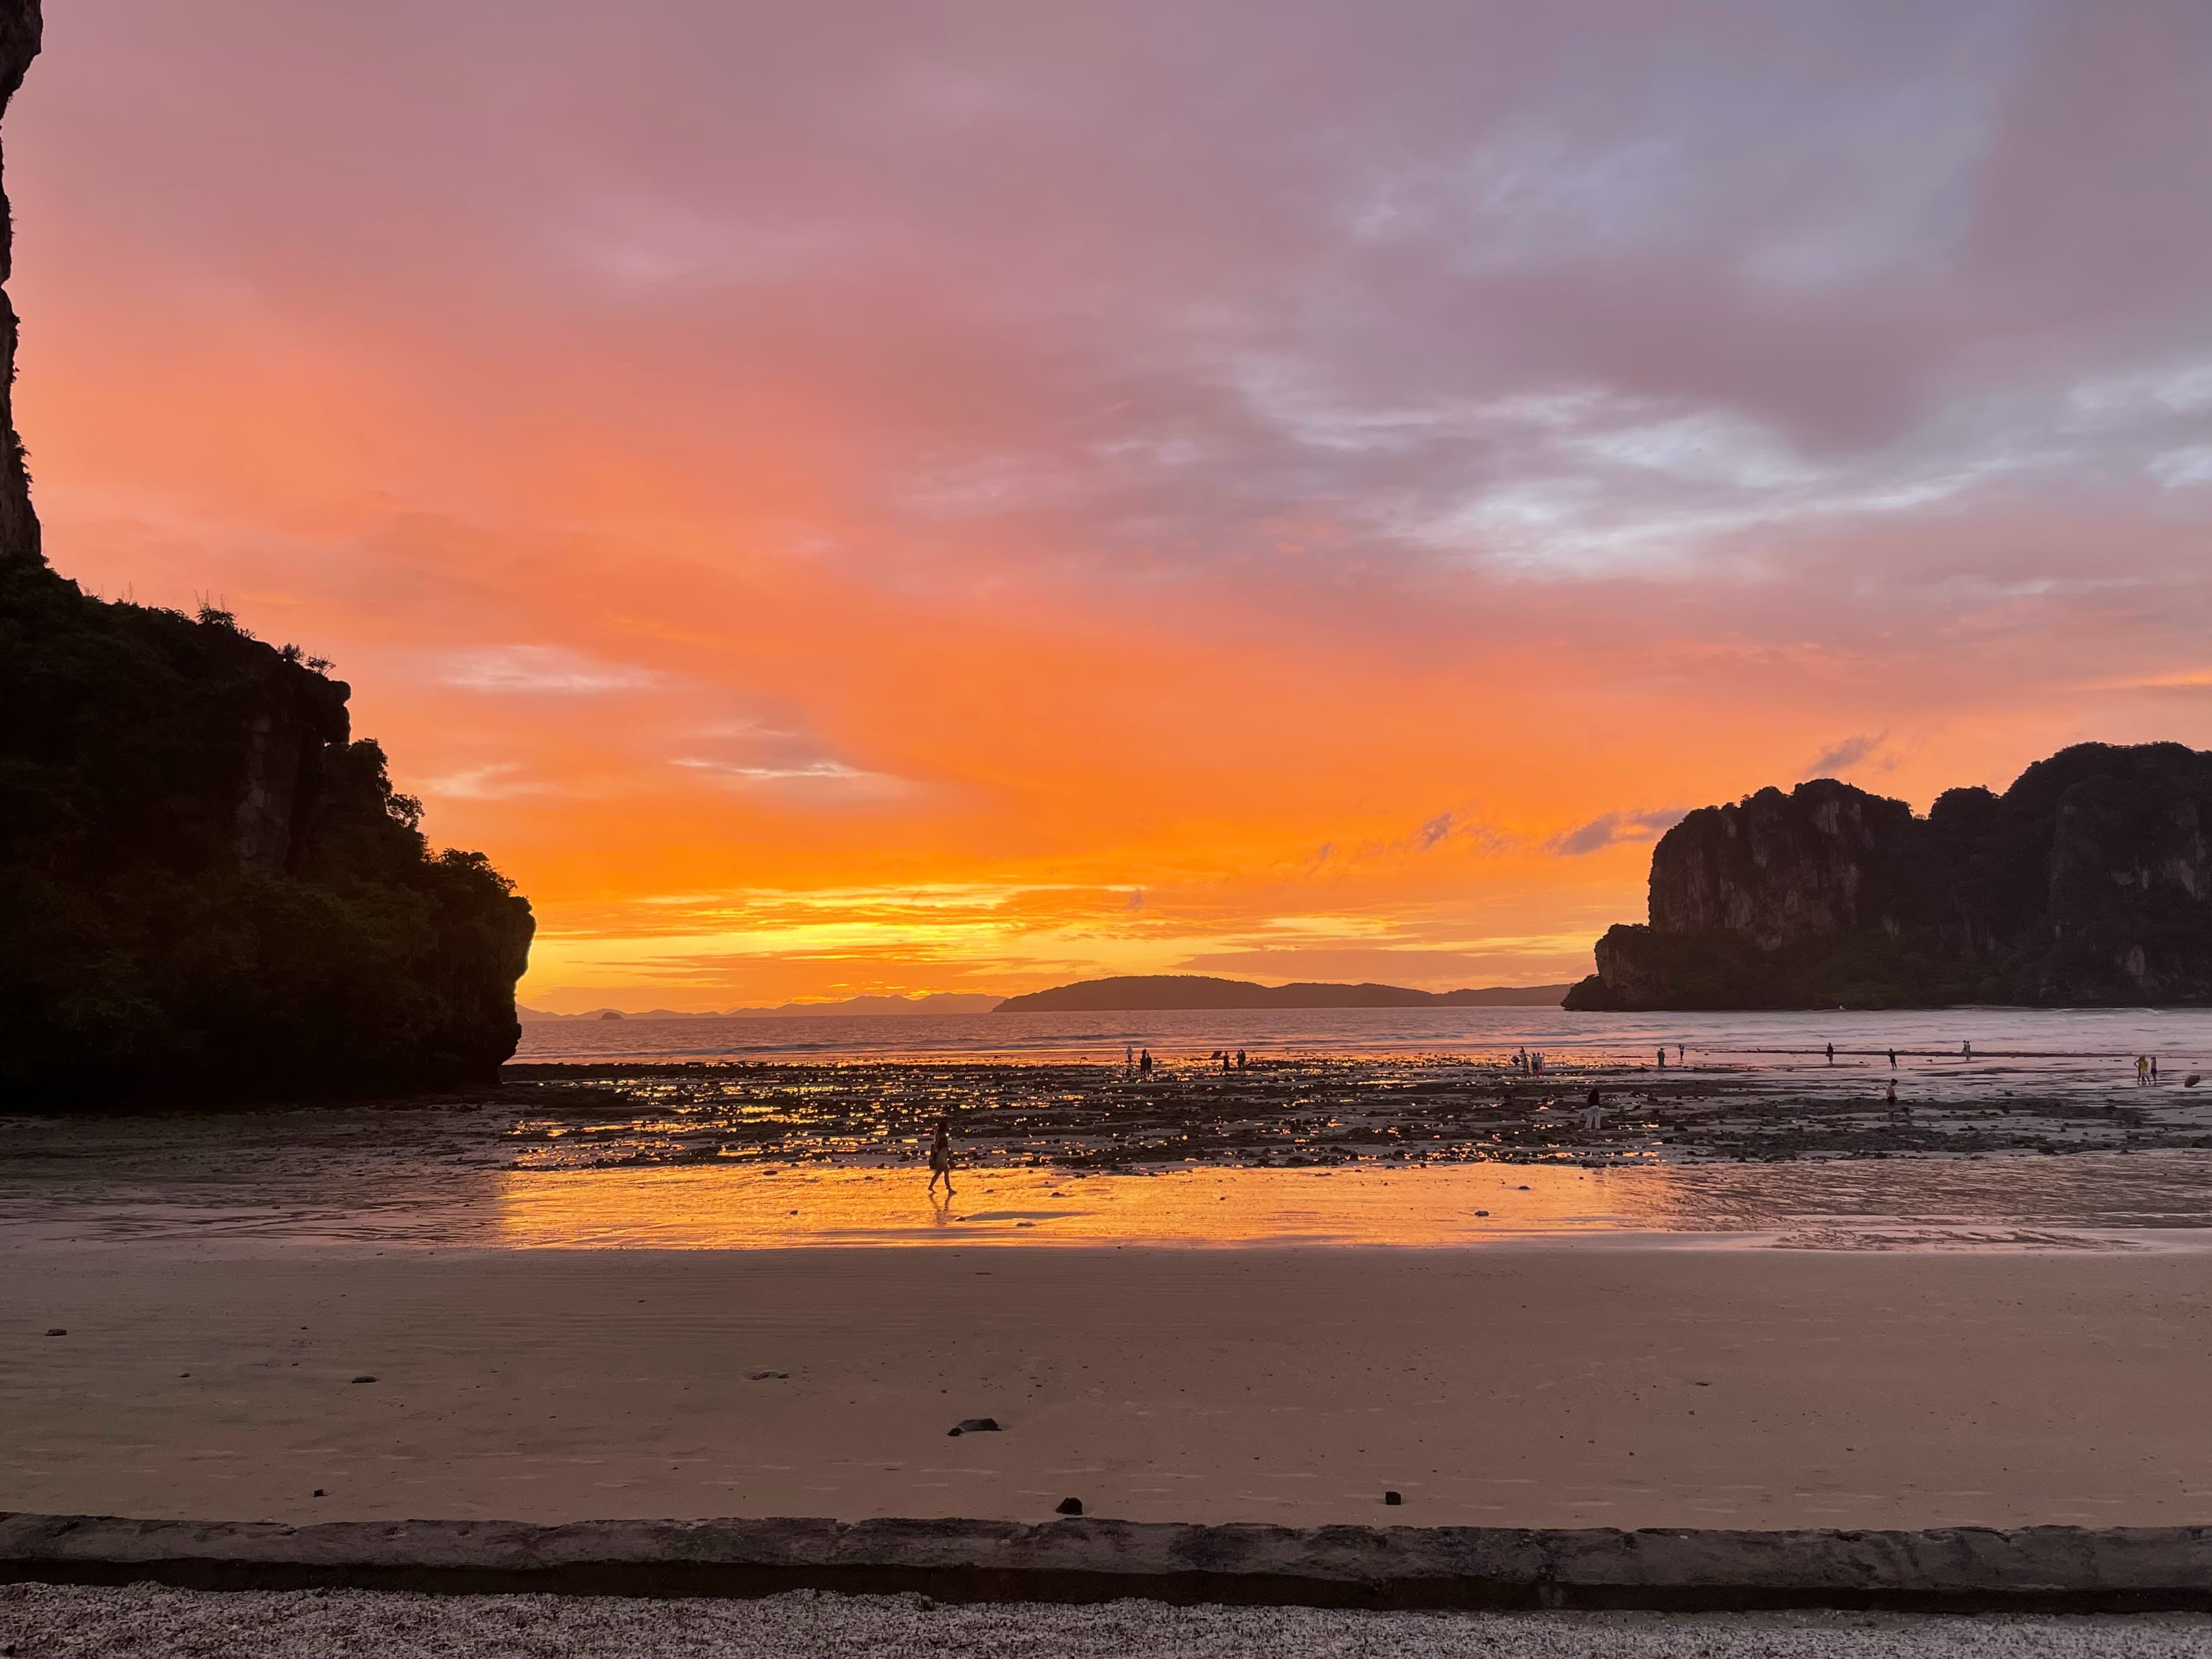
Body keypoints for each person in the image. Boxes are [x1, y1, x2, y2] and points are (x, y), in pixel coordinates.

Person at [927, 1117, 955, 1198]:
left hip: (944, 1155)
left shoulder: (943, 1135)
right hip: (941, 1155)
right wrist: (932, 1156)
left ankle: (931, 1187)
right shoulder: (940, 1135)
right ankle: (949, 1189)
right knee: (946, 1170)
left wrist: (948, 1155)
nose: (948, 1128)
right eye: (947, 1126)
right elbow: (936, 1145)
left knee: (939, 1172)